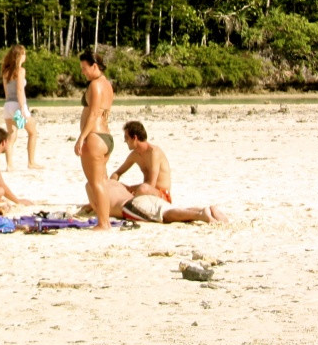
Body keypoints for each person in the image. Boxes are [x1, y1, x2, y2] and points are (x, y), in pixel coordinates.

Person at [74, 48, 116, 231]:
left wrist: (81, 137)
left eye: (85, 68)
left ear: (95, 66)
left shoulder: (95, 85)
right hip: (106, 137)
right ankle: (104, 218)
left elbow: (93, 114)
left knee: (96, 182)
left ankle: (103, 222)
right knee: (101, 181)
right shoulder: (107, 84)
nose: (83, 72)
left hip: (95, 137)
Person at [106, 178, 227, 224]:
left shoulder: (98, 188)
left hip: (129, 206)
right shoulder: (116, 184)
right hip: (140, 199)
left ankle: (200, 215)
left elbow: (101, 208)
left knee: (165, 216)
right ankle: (206, 210)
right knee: (168, 209)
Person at [0, 44, 43, 170]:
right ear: (19, 56)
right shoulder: (20, 71)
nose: (25, 56)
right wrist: (23, 108)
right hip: (17, 105)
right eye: (24, 54)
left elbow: (6, 92)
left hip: (7, 105)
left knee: (11, 136)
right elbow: (20, 90)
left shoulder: (5, 72)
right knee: (33, 132)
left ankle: (9, 165)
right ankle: (31, 162)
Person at [110, 120, 172, 203]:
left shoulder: (154, 153)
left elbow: (151, 184)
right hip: (144, 193)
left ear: (135, 138)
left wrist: (129, 188)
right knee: (113, 186)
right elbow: (118, 173)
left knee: (143, 188)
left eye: (126, 138)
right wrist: (113, 182)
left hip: (161, 195)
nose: (125, 141)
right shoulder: (135, 155)